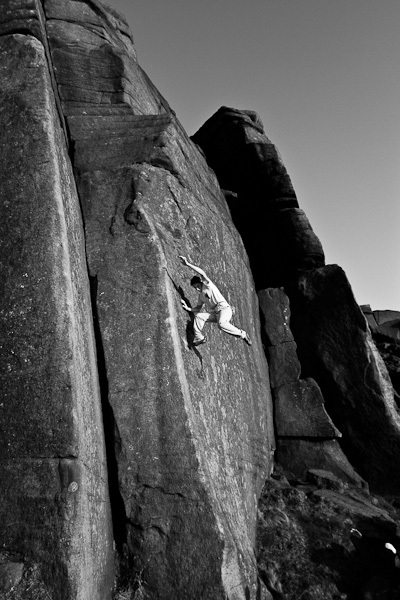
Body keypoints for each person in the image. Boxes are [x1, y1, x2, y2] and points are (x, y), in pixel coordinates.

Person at [179, 255, 252, 347]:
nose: (197, 289)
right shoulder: (201, 296)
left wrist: (187, 264)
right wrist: (188, 308)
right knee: (198, 317)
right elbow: (197, 308)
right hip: (216, 313)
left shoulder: (208, 285)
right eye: (195, 288)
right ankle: (200, 338)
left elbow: (202, 273)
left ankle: (243, 334)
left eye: (197, 286)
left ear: (201, 282)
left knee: (221, 324)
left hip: (224, 309)